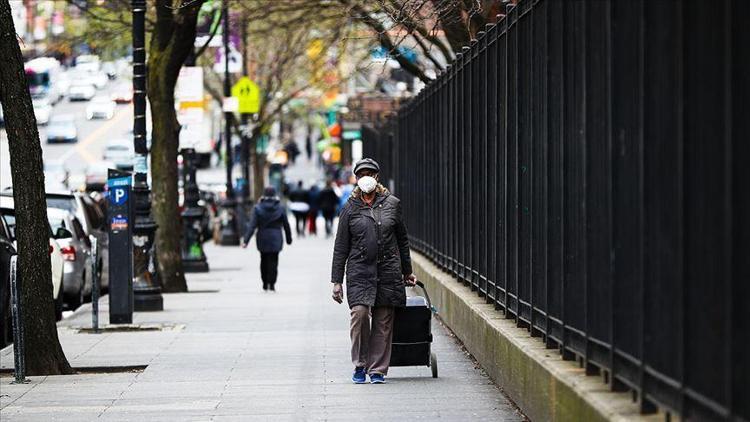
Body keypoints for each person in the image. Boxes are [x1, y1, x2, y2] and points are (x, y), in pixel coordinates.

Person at [330, 158, 417, 384]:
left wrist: (407, 272)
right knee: (359, 315)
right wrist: (336, 281)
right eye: (361, 174)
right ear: (357, 179)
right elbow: (341, 246)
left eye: (370, 173)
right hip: (359, 270)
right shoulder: (349, 208)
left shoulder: (392, 204)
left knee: (383, 321)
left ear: (377, 177)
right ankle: (360, 365)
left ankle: (377, 369)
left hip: (388, 270)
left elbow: (402, 240)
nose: (366, 177)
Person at [242, 187, 292, 292]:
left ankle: (265, 283)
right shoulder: (280, 208)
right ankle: (272, 283)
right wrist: (289, 239)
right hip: (276, 237)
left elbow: (252, 226)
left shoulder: (257, 208)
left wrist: (246, 241)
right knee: (274, 260)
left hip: (262, 237)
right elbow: (286, 225)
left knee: (263, 259)